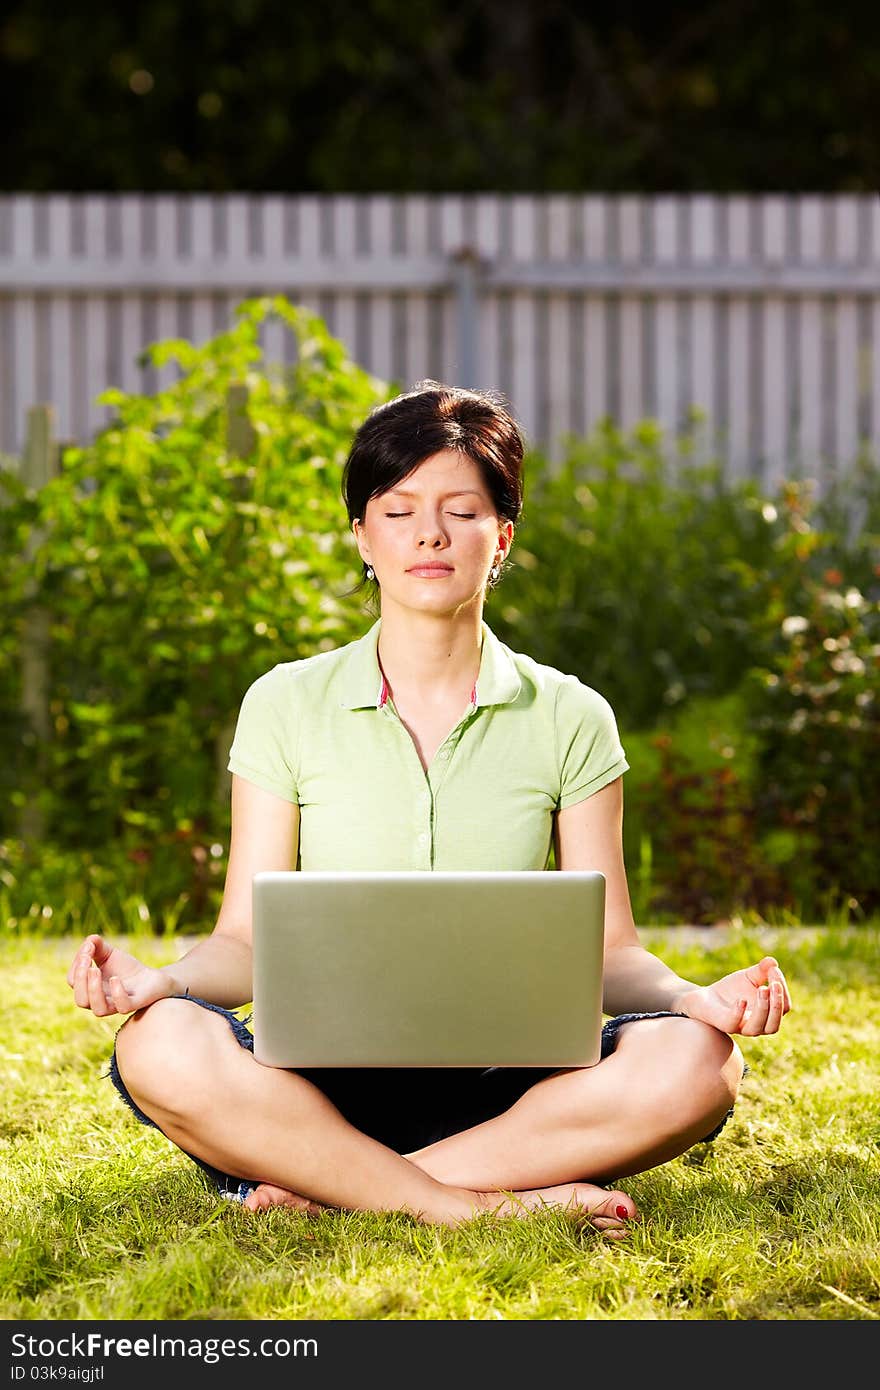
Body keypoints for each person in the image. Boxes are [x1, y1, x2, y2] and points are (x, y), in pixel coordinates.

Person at [67, 380, 791, 1237]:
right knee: (157, 1042)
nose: (431, 535)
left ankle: (339, 1184)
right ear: (361, 537)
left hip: (515, 1090)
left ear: (503, 536)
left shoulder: (570, 715)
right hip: (318, 1081)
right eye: (399, 509)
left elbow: (609, 955)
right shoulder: (285, 703)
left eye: (462, 511)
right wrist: (167, 982)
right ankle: (475, 1205)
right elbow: (245, 944)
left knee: (700, 1064)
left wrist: (689, 998)